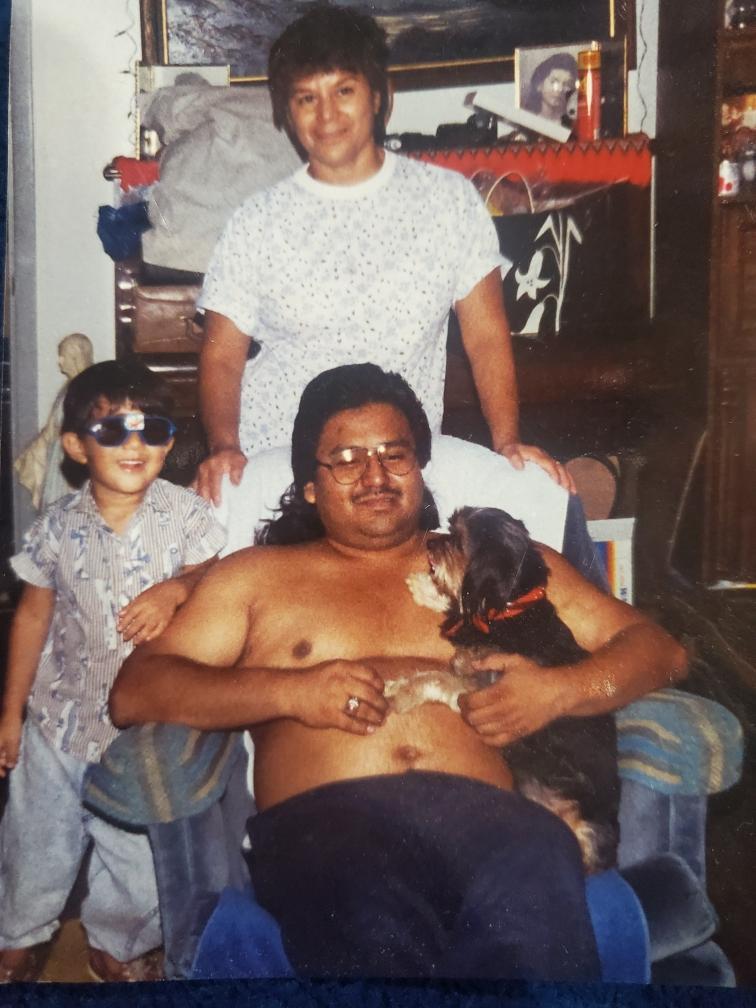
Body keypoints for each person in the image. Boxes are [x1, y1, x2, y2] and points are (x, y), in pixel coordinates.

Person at [110, 363, 687, 980]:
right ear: (310, 485)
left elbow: (660, 649)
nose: (375, 475)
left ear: (418, 470)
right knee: (378, 947)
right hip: (333, 830)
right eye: (347, 459)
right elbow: (137, 690)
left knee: (536, 949)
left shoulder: (498, 563)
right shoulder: (254, 577)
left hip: (502, 831)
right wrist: (291, 690)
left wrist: (561, 690)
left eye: (395, 455)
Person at [195, 5, 574, 507]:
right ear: (287, 113)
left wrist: (506, 442)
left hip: (397, 467)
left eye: (343, 91)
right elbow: (222, 356)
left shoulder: (448, 201)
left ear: (379, 97)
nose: (326, 116)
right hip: (289, 465)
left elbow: (485, 337)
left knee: (537, 494)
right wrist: (225, 447)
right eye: (307, 98)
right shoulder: (255, 221)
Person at [0, 360, 226, 982]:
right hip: (60, 721)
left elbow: (219, 574)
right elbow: (31, 619)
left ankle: (116, 947)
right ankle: (17, 940)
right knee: (35, 845)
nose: (135, 444)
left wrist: (179, 589)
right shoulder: (54, 528)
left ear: (168, 442)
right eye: (112, 431)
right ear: (76, 446)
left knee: (137, 864)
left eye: (150, 428)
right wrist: (10, 715)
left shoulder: (186, 518)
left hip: (139, 732)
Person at [14, 333, 94, 509]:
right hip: (58, 456)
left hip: (71, 460)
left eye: (63, 355)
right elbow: (53, 427)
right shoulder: (68, 388)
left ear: (75, 356)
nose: (60, 361)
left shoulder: (86, 389)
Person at [522, 53, 579, 125]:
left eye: (567, 84)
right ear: (539, 84)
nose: (560, 89)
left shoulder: (573, 126)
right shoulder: (528, 122)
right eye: (554, 82)